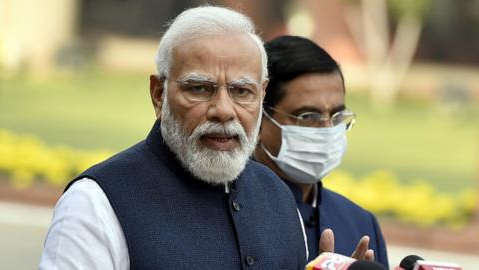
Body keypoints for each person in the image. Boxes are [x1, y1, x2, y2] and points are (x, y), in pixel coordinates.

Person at [38, 7, 308, 270]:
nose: (224, 110)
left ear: (262, 95)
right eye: (199, 88)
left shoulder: (280, 199)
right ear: (159, 94)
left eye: (241, 91)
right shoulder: (96, 204)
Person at [253, 35, 389, 267]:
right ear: (258, 118)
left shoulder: (360, 224)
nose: (327, 129)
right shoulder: (227, 214)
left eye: (337, 115)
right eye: (308, 116)